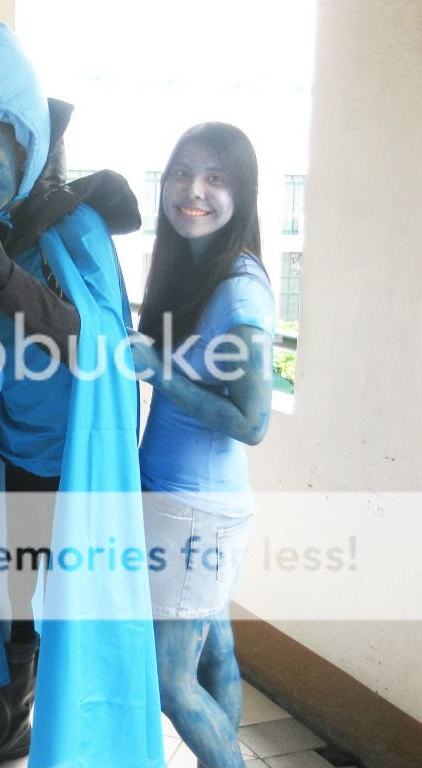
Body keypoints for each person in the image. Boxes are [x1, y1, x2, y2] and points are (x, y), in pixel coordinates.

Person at [0, 22, 163, 768]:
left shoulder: (74, 226)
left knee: (78, 610)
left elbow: (98, 346)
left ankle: (82, 741)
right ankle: (10, 724)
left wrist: (5, 278)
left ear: (23, 148)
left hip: (77, 467)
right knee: (10, 600)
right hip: (15, 455)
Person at [129, 122, 275, 768]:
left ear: (241, 194)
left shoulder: (239, 289)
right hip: (184, 502)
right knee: (216, 654)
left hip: (197, 513)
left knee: (172, 683)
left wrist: (160, 374)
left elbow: (253, 421)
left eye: (215, 178)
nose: (194, 191)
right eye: (182, 174)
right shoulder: (197, 269)